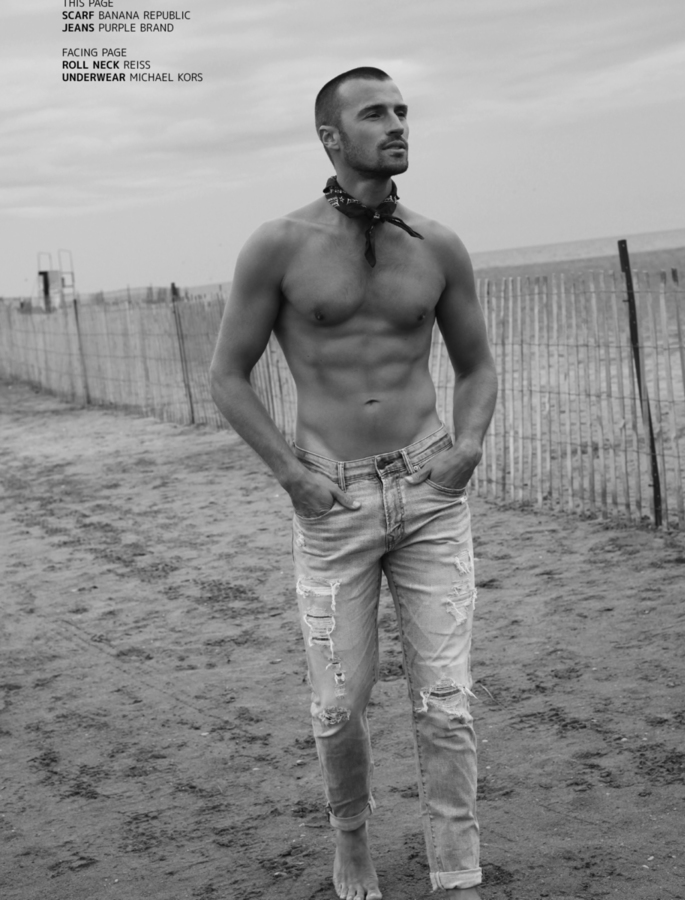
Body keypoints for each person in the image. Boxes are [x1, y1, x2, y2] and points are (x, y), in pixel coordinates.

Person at [210, 66, 497, 900]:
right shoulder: (279, 244)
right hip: (332, 500)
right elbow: (227, 375)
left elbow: (477, 367)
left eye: (402, 111)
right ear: (331, 137)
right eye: (375, 113)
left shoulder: (436, 245)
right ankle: (353, 840)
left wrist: (468, 447)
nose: (398, 124)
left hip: (430, 490)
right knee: (337, 705)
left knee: (447, 700)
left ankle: (456, 867)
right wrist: (292, 476)